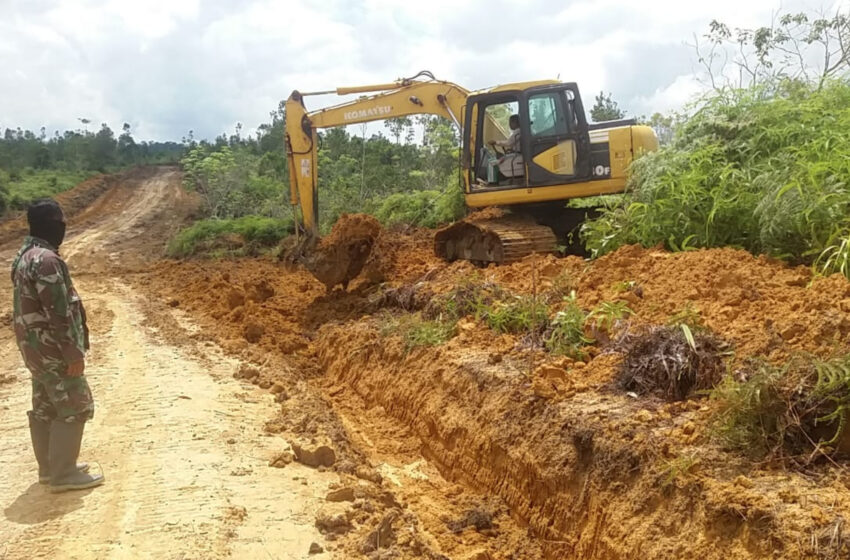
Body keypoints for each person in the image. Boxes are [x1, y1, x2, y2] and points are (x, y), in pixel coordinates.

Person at [11, 199, 104, 493]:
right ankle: (64, 474)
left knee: (45, 405)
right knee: (76, 404)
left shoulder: (24, 256)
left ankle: (50, 469)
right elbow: (59, 312)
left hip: (35, 349)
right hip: (53, 349)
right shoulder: (47, 261)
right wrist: (71, 351)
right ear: (51, 224)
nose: (63, 227)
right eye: (59, 222)